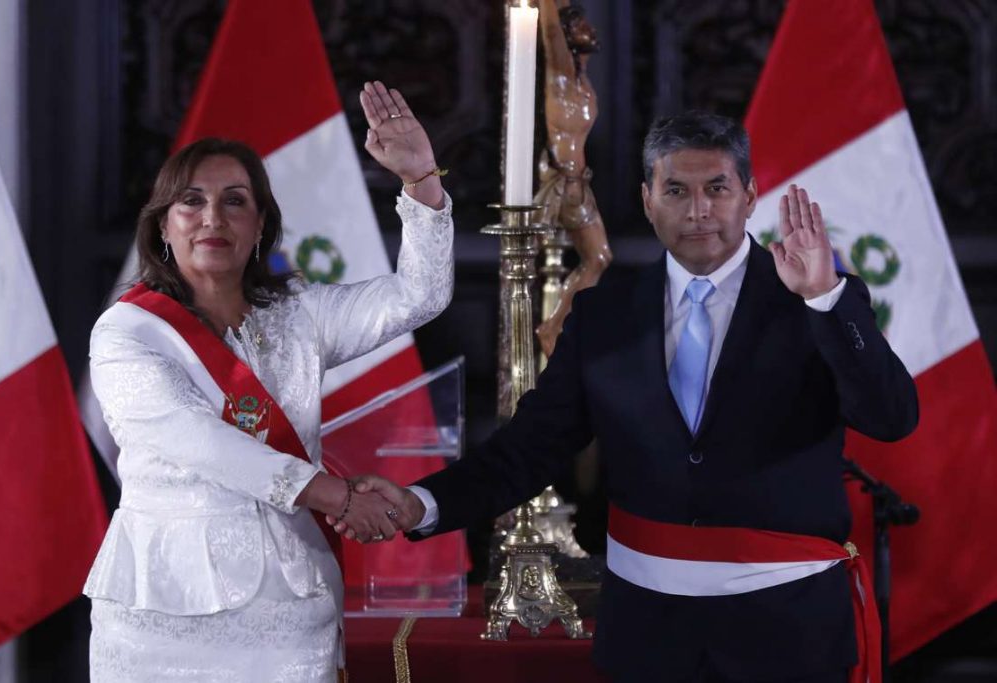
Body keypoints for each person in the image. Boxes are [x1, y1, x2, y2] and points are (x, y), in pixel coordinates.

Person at [338, 111, 919, 682]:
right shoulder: (604, 314)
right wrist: (421, 503)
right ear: (647, 200)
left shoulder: (816, 300)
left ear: (750, 195)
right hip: (650, 635)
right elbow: (529, 448)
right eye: (676, 190)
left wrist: (824, 298)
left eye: (717, 188)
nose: (698, 211)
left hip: (789, 633)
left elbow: (891, 418)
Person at [84, 81, 451, 682]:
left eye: (235, 201)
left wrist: (420, 182)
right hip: (161, 610)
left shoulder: (300, 315)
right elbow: (197, 440)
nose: (212, 218)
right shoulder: (127, 331)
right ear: (163, 227)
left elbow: (421, 296)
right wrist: (338, 496)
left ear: (260, 226)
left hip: (289, 604)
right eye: (192, 202)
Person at [533, 0, 612, 358]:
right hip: (563, 186)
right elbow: (550, 29)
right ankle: (552, 330)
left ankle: (555, 326)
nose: (590, 29)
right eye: (580, 24)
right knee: (597, 257)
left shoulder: (583, 82)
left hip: (581, 183)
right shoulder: (561, 76)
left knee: (600, 257)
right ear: (566, 34)